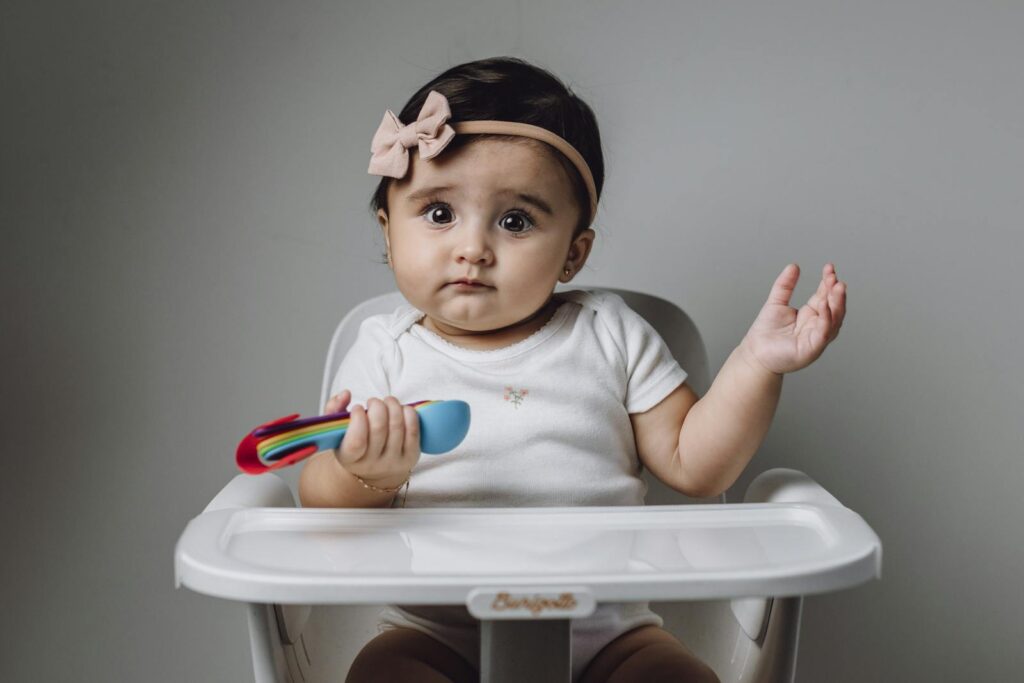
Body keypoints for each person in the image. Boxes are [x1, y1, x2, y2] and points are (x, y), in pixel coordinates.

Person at [299, 56, 846, 683]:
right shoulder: (386, 349)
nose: (472, 247)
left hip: (609, 633)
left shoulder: (607, 333)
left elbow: (697, 465)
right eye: (440, 213)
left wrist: (757, 363)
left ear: (573, 254)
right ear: (389, 231)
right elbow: (320, 510)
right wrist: (362, 474)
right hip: (435, 631)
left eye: (516, 221)